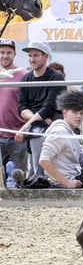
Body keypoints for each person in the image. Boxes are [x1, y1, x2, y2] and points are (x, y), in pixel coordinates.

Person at [17, 41, 66, 177]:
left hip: (53, 122)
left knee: (36, 134)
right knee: (35, 132)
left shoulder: (56, 78)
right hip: (39, 122)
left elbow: (49, 107)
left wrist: (24, 127)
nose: (32, 59)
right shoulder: (25, 79)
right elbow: (21, 108)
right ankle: (36, 176)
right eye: (30, 56)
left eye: (36, 55)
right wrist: (38, 118)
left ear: (45, 56)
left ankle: (38, 176)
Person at [39, 91, 83, 188]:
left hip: (76, 178)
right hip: (63, 184)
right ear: (64, 113)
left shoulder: (71, 132)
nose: (79, 116)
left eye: (81, 113)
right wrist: (67, 183)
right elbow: (44, 160)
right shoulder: (59, 132)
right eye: (75, 112)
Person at [0, 38, 28, 174]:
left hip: (17, 135)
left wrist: (24, 128)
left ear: (14, 54)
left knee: (20, 176)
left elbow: (31, 104)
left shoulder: (24, 75)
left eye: (8, 52)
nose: (5, 56)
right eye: (2, 52)